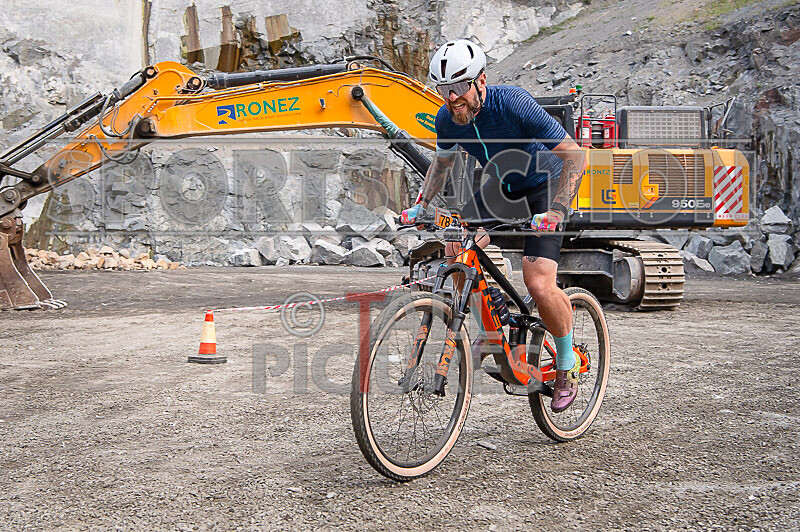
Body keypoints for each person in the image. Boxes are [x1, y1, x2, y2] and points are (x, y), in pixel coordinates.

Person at [400, 39, 587, 412]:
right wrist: (421, 204)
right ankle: (493, 329)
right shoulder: (446, 119)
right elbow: (442, 165)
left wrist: (557, 210)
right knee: (457, 247)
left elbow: (576, 155)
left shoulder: (512, 103)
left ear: (481, 81)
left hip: (546, 185)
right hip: (503, 185)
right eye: (444, 90)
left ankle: (567, 364)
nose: (453, 98)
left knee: (537, 281)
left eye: (459, 88)